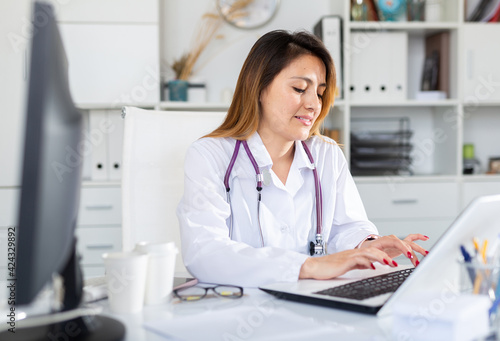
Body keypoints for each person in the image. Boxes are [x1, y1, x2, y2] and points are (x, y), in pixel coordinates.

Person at [176, 30, 428, 287]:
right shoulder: (209, 156)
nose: (313, 104)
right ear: (259, 87)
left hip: (312, 302)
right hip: (240, 305)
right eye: (299, 88)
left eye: (319, 92)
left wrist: (367, 244)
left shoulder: (326, 153)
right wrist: (307, 266)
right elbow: (204, 253)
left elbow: (347, 226)